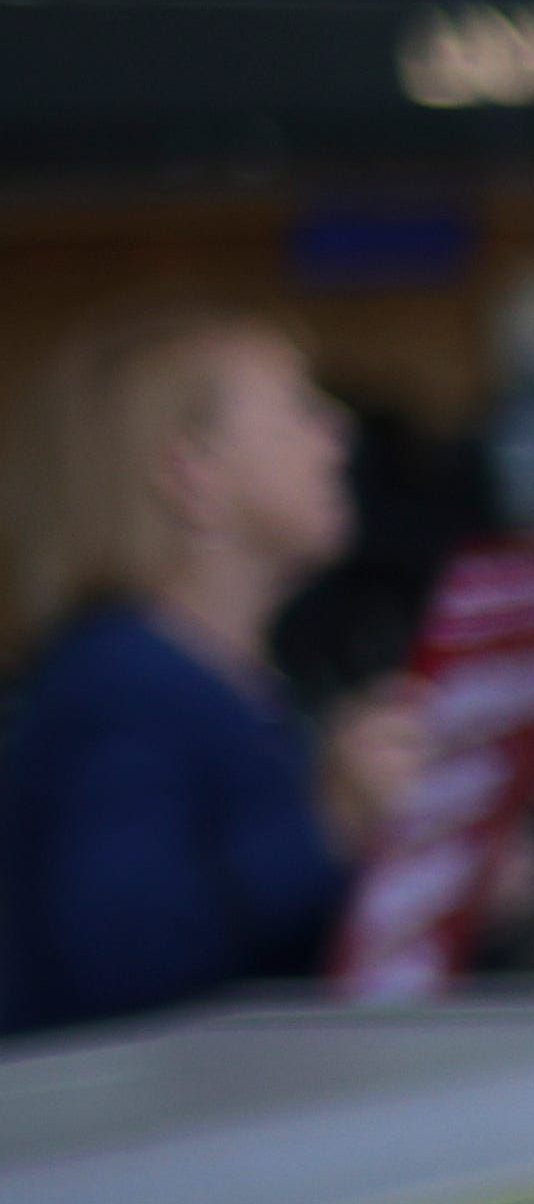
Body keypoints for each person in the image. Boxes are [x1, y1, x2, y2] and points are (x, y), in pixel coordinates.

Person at [0, 302, 426, 1036]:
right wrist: (328, 825)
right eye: (299, 409)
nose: (338, 434)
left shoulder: (226, 680)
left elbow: (290, 966)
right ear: (191, 475)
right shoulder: (117, 689)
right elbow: (123, 964)